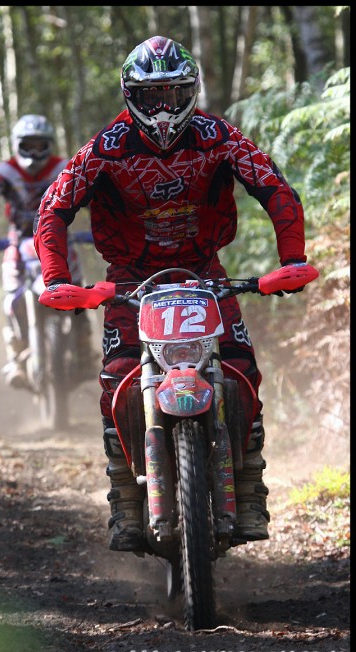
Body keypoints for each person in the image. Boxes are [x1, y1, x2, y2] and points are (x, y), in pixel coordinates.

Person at [33, 36, 307, 551]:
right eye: (152, 96)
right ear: (130, 94)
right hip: (131, 280)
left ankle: (248, 490)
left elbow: (274, 187)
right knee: (116, 379)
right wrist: (56, 278)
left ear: (192, 91)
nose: (164, 109)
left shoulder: (217, 137)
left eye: (175, 95)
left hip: (204, 273)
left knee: (240, 367)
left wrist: (291, 260)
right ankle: (125, 504)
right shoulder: (107, 147)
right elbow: (53, 208)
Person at [0, 114, 93, 388]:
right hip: (18, 241)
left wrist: (105, 228)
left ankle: (85, 351)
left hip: (60, 239)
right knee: (11, 297)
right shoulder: (4, 172)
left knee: (81, 295)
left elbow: (97, 196)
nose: (35, 152)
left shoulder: (66, 167)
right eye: (29, 145)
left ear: (50, 144)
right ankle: (15, 357)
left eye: (41, 145)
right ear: (17, 145)